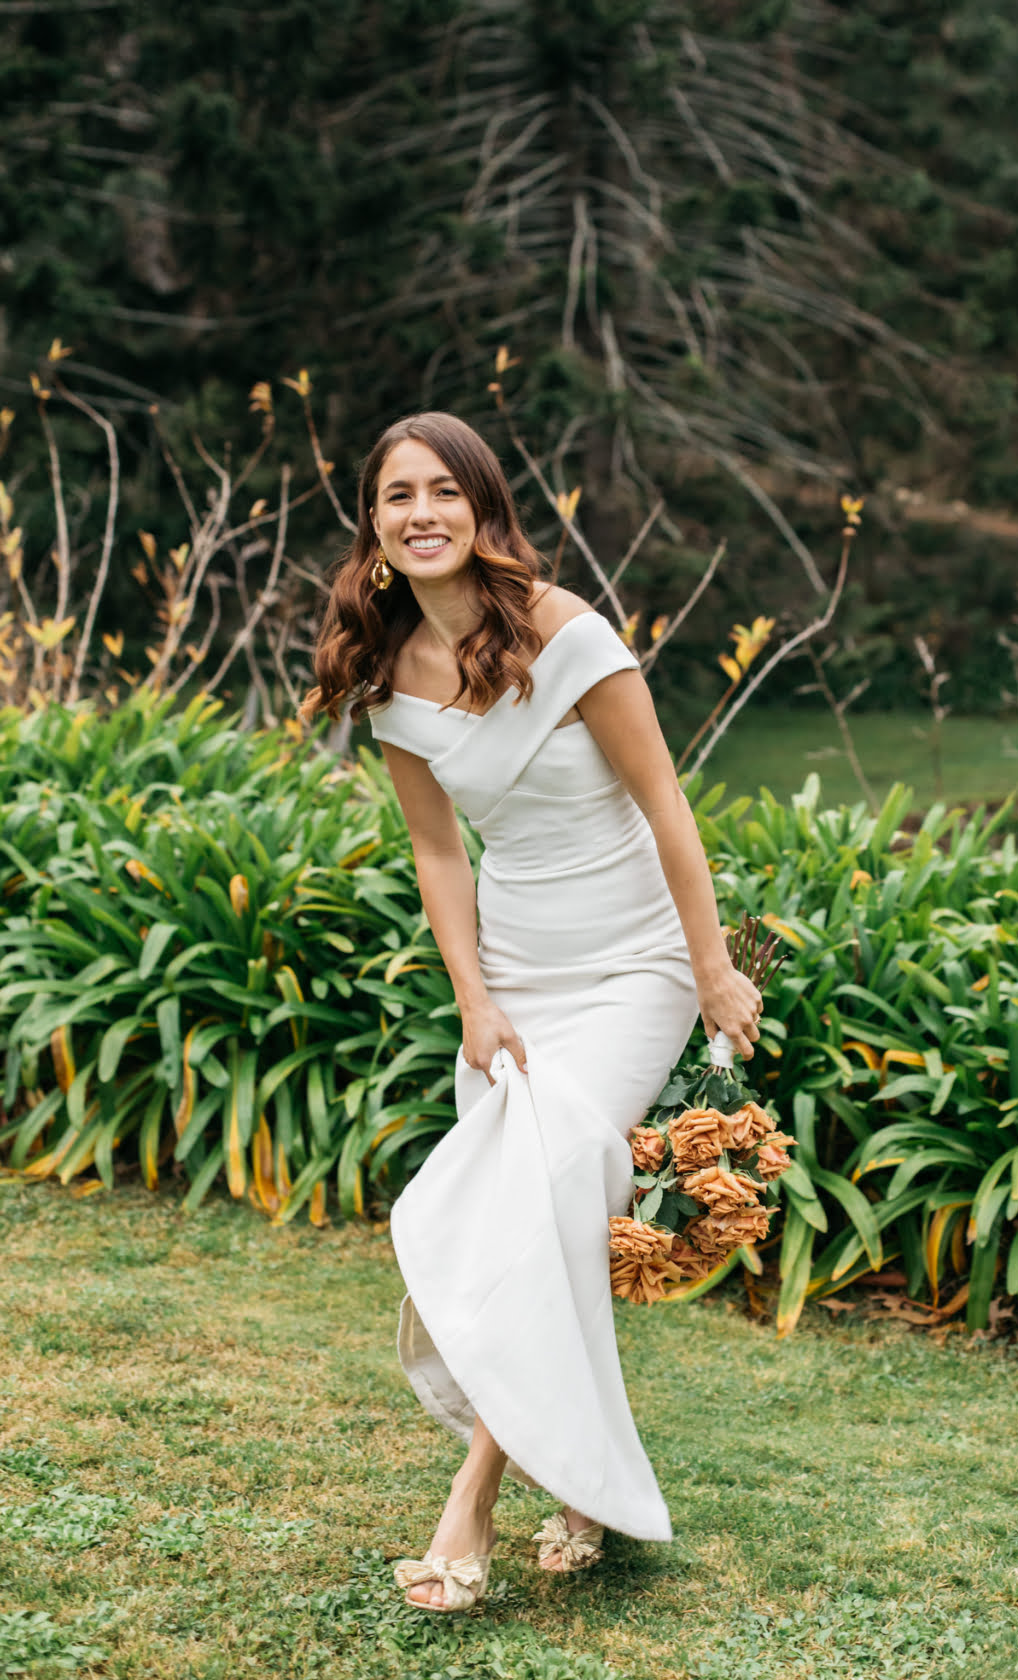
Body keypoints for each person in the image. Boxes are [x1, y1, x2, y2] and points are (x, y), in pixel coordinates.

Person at [302, 412, 762, 1612]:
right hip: (514, 974)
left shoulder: (569, 635)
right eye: (397, 495)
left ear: (482, 509)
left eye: (443, 492)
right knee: (540, 1222)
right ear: (374, 524)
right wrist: (474, 998)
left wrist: (711, 968)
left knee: (553, 1182)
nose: (421, 514)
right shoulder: (389, 674)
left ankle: (472, 1500)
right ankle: (582, 1482)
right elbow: (438, 853)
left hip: (633, 965)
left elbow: (665, 805)